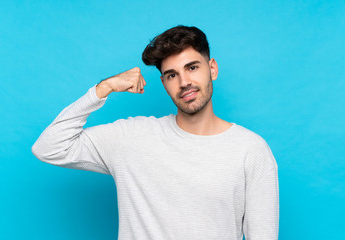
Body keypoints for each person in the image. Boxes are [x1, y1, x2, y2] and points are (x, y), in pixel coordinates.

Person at [32, 25, 279, 240]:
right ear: (164, 83)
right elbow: (48, 147)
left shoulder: (250, 150)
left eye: (192, 68)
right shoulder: (131, 137)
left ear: (212, 69)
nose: (184, 82)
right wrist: (103, 88)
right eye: (172, 75)